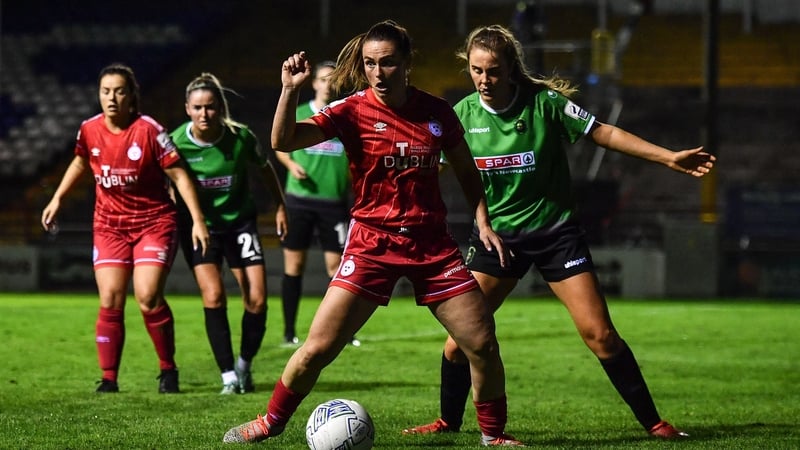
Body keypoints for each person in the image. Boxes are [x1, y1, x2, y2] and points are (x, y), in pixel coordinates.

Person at [402, 24, 715, 439]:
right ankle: (448, 423)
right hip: (498, 240)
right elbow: (432, 166)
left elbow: (603, 131)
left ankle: (654, 423)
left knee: (600, 335)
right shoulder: (463, 115)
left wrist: (667, 157)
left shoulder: (545, 103)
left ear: (511, 69)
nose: (483, 80)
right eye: (476, 71)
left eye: (493, 71)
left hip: (556, 235)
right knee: (460, 343)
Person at [222, 20, 524, 447]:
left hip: (431, 246)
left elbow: (466, 171)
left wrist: (483, 220)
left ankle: (493, 436)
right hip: (371, 244)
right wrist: (290, 89)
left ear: (407, 63)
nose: (378, 73)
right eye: (370, 64)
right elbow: (283, 140)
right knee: (317, 348)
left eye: (388, 63)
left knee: (481, 343)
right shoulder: (351, 110)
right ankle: (269, 423)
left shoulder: (437, 113)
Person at [40, 63, 210, 394]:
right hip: (109, 226)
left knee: (147, 296)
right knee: (111, 298)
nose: (112, 98)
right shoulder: (89, 129)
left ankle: (167, 369)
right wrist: (58, 198)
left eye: (119, 91)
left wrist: (198, 220)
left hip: (154, 222)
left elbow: (178, 175)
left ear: (132, 95)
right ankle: (109, 378)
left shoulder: (149, 130)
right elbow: (80, 160)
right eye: (106, 91)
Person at [170, 73, 288, 395]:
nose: (204, 114)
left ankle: (244, 366)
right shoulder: (175, 142)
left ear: (220, 107)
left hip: (240, 224)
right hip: (200, 227)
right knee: (213, 296)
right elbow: (166, 182)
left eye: (210, 107)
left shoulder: (240, 137)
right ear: (187, 109)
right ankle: (227, 377)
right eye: (197, 108)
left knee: (257, 299)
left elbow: (266, 169)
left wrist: (280, 206)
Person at [274, 61, 355, 347]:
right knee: (294, 266)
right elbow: (279, 145)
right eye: (323, 79)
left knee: (338, 269)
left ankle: (343, 331)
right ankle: (289, 330)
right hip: (299, 201)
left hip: (333, 203)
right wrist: (291, 165)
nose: (328, 83)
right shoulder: (299, 114)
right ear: (314, 83)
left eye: (333, 79)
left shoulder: (344, 117)